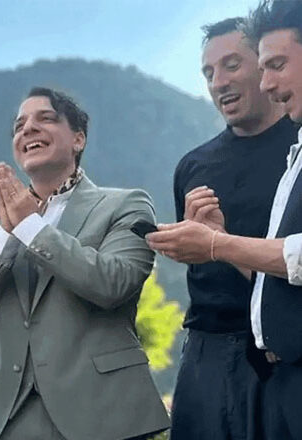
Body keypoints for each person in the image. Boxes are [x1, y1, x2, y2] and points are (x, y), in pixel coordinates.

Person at [0, 87, 169, 440]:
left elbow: (114, 284)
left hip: (102, 414)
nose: (28, 129)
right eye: (19, 126)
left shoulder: (125, 205)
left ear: (78, 139)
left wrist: (31, 228)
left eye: (45, 118)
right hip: (6, 418)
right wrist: (7, 236)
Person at [148, 1, 302, 437]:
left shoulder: (295, 147)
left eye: (232, 64)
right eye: (208, 72)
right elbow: (208, 265)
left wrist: (217, 242)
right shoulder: (193, 166)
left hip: (279, 356)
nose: (219, 81)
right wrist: (202, 243)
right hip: (205, 354)